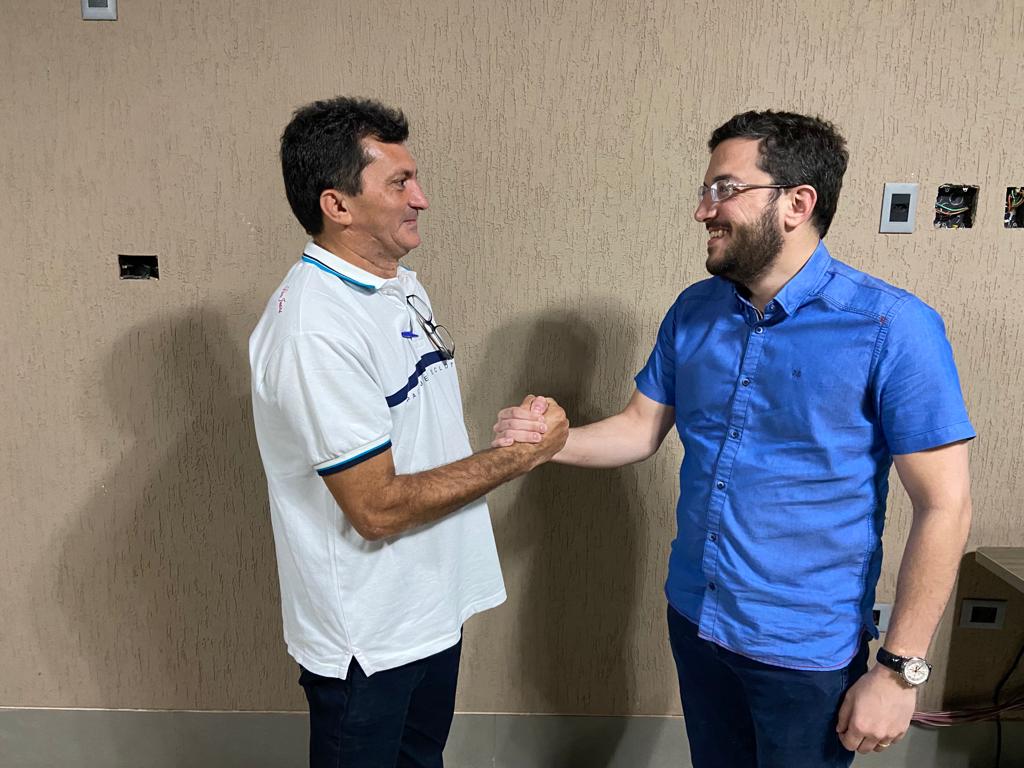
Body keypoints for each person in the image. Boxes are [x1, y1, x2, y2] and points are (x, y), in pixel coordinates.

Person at [493, 110, 974, 767]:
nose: (703, 211)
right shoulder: (694, 310)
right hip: (696, 618)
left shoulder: (894, 327)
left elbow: (945, 505)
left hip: (804, 649)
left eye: (725, 189)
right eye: (705, 190)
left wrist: (898, 671)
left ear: (797, 203)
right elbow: (639, 428)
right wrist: (551, 443)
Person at [249, 96, 568, 768]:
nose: (420, 198)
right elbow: (375, 508)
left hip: (429, 606)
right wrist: (515, 458)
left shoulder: (397, 286)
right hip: (370, 637)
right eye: (399, 183)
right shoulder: (315, 329)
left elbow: (419, 434)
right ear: (338, 205)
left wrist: (511, 437)